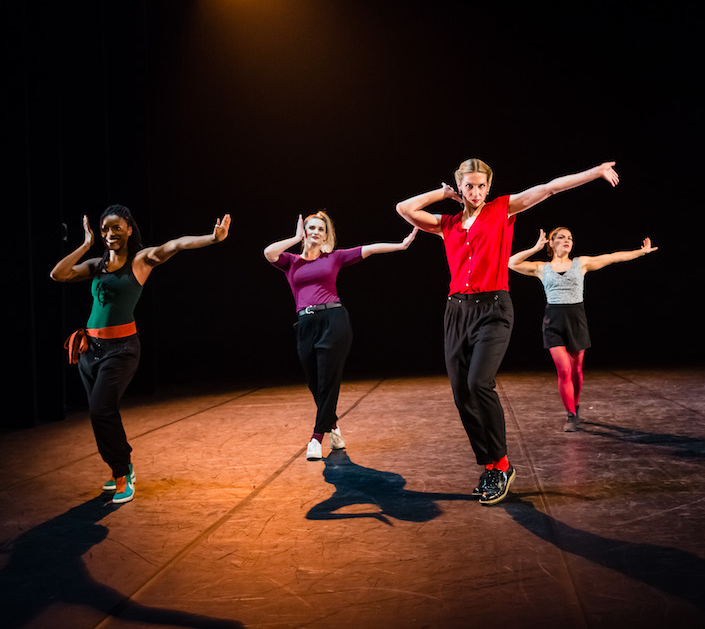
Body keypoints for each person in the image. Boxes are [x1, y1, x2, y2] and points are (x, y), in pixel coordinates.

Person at [396, 159, 619, 505]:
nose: (476, 192)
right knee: (461, 393)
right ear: (460, 187)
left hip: (494, 310)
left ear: (489, 187)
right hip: (456, 311)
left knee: (478, 383)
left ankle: (501, 465)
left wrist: (594, 173)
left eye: (481, 186)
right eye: (468, 186)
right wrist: (442, 194)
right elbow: (404, 208)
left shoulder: (503, 210)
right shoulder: (448, 224)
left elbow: (550, 187)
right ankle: (488, 465)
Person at [51, 205, 232, 503]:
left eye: (116, 228)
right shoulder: (96, 265)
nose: (110, 234)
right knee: (101, 416)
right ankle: (120, 467)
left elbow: (175, 244)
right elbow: (58, 274)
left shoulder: (141, 260)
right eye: (105, 229)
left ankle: (123, 473)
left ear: (129, 229)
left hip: (121, 350)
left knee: (101, 410)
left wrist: (212, 238)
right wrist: (85, 244)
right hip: (89, 351)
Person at [265, 212, 417, 460]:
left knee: (328, 380)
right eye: (311, 228)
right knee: (314, 382)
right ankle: (333, 427)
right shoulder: (291, 261)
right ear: (305, 231)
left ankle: (317, 437)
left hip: (333, 321)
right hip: (305, 324)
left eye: (320, 230)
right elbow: (268, 253)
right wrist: (295, 237)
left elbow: (369, 249)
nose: (315, 232)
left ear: (326, 235)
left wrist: (400, 245)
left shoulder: (334, 258)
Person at [508, 227, 657, 432]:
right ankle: (570, 414)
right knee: (564, 369)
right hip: (553, 322)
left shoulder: (582, 263)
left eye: (569, 237)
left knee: (577, 370)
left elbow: (612, 257)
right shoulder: (541, 268)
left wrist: (640, 252)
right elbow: (511, 263)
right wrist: (535, 248)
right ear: (551, 243)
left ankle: (575, 406)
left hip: (576, 320)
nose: (566, 240)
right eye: (560, 238)